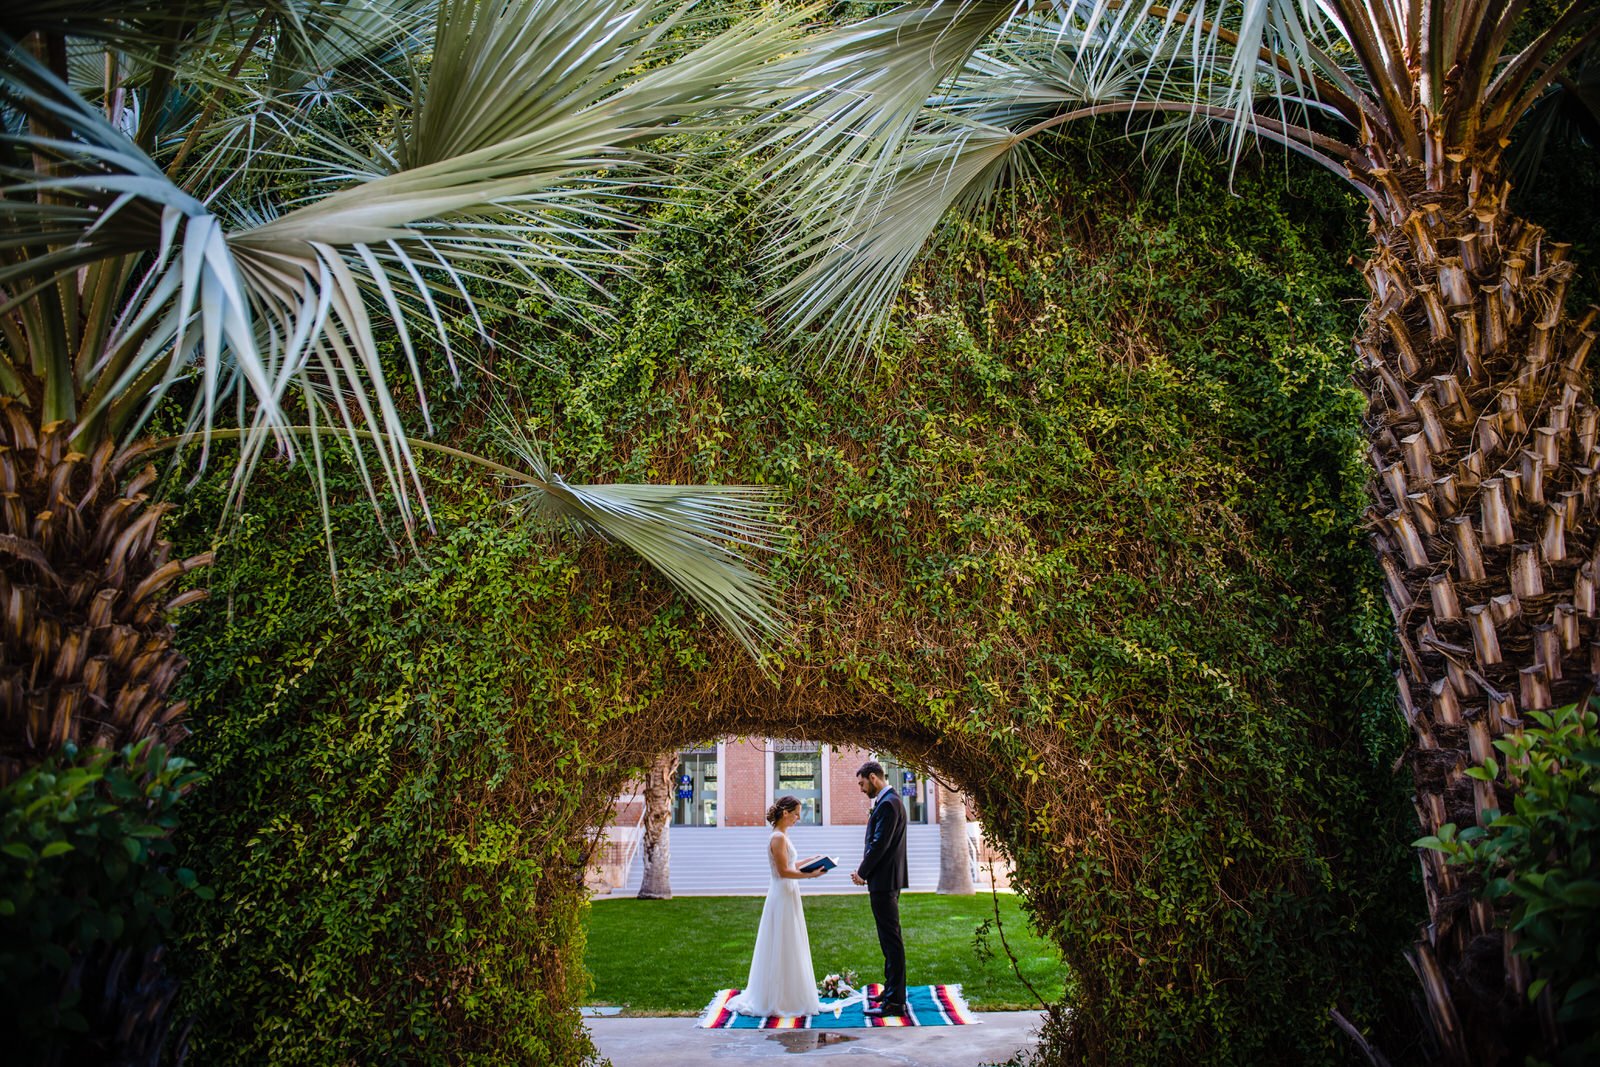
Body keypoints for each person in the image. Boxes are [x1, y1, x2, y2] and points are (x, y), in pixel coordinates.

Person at [725, 795, 827, 1017]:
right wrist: (810, 876)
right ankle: (780, 997)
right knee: (783, 940)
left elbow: (791, 864)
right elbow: (783, 871)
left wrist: (812, 861)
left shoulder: (783, 836)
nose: (799, 818)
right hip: (782, 893)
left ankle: (791, 992)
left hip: (788, 892)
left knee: (791, 940)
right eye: (797, 813)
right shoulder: (778, 838)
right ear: (785, 813)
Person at [850, 760, 910, 1017]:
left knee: (891, 941)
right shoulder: (891, 801)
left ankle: (895, 1003)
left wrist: (862, 873)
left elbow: (879, 844)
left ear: (873, 777)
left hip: (884, 881)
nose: (862, 789)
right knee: (888, 941)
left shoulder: (888, 804)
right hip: (886, 880)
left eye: (862, 783)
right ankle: (891, 992)